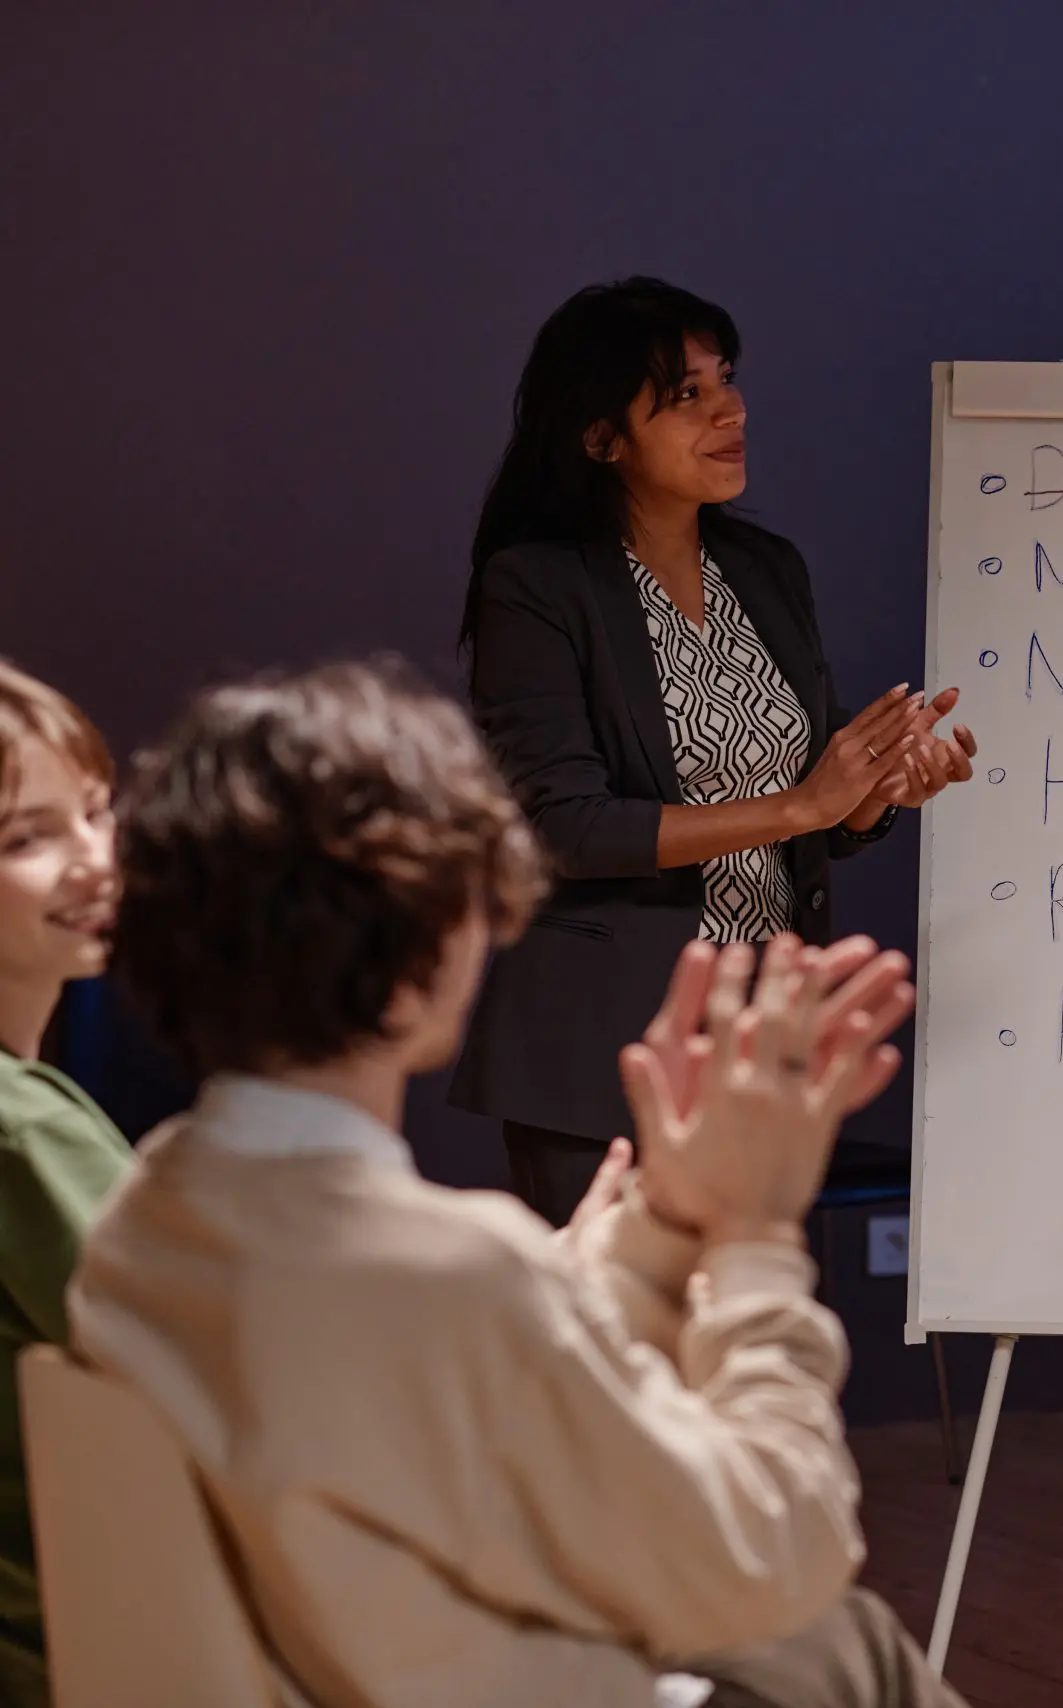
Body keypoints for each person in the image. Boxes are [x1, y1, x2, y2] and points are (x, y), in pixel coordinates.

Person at [73, 662, 964, 1708]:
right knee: (837, 1635)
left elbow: (451, 1377)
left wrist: (665, 1223)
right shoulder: (448, 1269)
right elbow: (778, 1551)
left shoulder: (149, 1218)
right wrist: (755, 1237)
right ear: (420, 953)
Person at [452, 277, 977, 1226]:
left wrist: (876, 785)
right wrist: (803, 807)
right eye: (686, 393)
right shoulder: (535, 586)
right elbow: (559, 826)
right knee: (621, 1355)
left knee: (738, 1331)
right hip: (608, 1048)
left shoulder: (766, 570)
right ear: (601, 437)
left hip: (760, 1041)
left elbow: (815, 807)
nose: (730, 407)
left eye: (725, 378)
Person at [0, 661, 130, 1708]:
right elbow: (243, 1373)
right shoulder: (21, 1130)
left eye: (95, 813)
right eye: (26, 839)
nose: (95, 861)